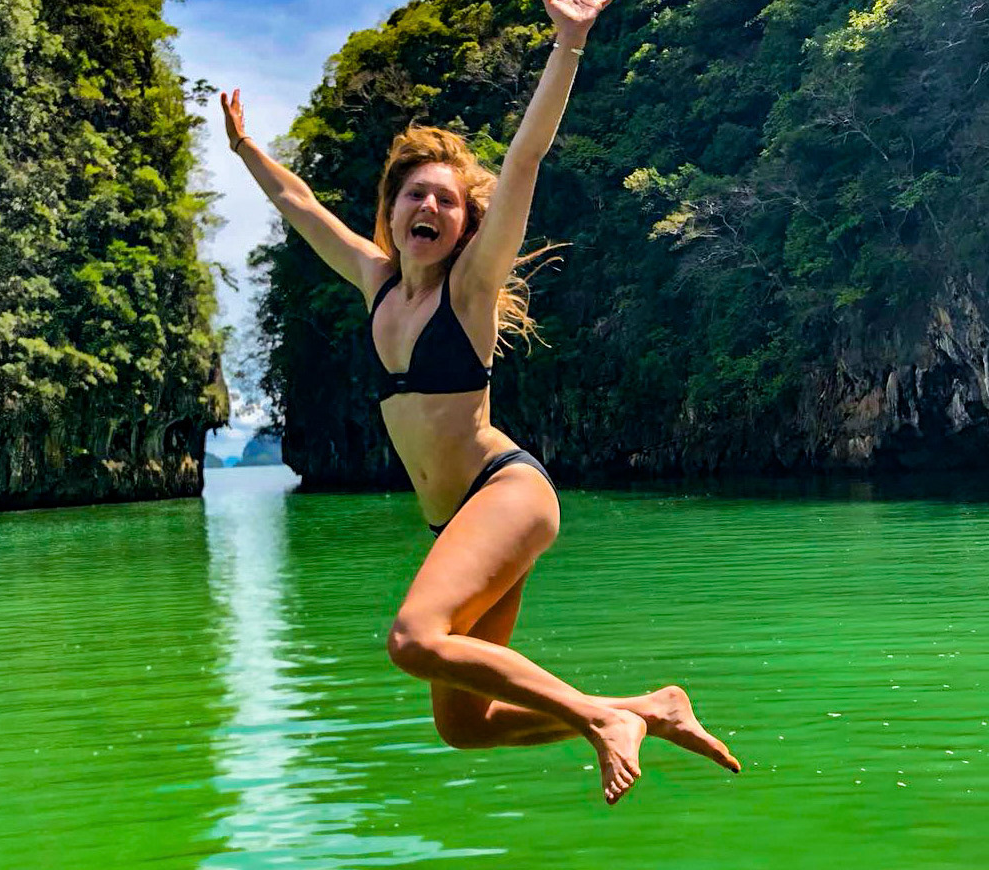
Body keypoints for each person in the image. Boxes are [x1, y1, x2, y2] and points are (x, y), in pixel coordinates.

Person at [221, 0, 740, 805]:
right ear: (391, 211)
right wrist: (247, 149)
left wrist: (569, 43)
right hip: (455, 520)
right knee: (467, 725)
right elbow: (300, 207)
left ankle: (599, 718)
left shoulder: (468, 290)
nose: (428, 207)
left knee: (412, 638)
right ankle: (647, 709)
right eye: (414, 196)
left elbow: (525, 159)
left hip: (506, 494)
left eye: (447, 201)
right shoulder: (375, 280)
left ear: (467, 225)